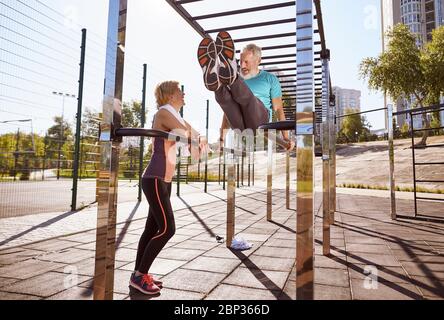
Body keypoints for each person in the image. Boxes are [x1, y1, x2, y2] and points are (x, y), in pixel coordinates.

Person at [130, 81, 206, 295]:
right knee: (167, 229)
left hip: (164, 180)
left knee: (151, 229)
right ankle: (140, 275)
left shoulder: (177, 116)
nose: (183, 94)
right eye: (180, 91)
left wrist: (197, 140)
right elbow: (188, 135)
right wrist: (196, 139)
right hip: (154, 178)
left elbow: (196, 149)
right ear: (171, 95)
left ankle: (138, 274)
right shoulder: (164, 113)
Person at [197, 31, 294, 150]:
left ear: (258, 60)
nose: (242, 66)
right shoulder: (235, 78)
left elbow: (278, 109)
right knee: (225, 100)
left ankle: (230, 78)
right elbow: (227, 113)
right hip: (240, 128)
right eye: (240, 61)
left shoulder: (270, 79)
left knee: (249, 99)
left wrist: (285, 137)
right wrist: (221, 139)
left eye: (246, 62)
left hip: (259, 120)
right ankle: (217, 84)